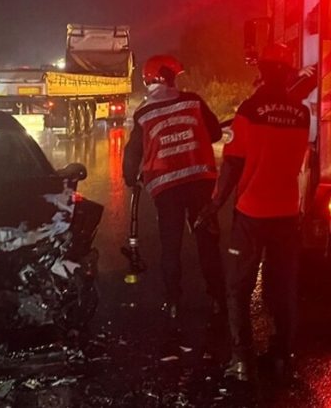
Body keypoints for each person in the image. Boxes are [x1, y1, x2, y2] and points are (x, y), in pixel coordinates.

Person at [195, 43, 310, 382]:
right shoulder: (301, 113)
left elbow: (232, 164)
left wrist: (214, 204)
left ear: (261, 71)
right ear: (288, 73)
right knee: (282, 287)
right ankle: (283, 355)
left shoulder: (249, 110)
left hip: (252, 213)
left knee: (238, 287)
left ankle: (242, 361)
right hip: (287, 212)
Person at [123, 54, 226, 319]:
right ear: (167, 77)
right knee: (207, 243)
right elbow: (214, 132)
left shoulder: (144, 113)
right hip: (200, 184)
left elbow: (133, 151)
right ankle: (217, 298)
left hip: (166, 189)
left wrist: (130, 178)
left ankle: (173, 301)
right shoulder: (193, 101)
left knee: (170, 244)